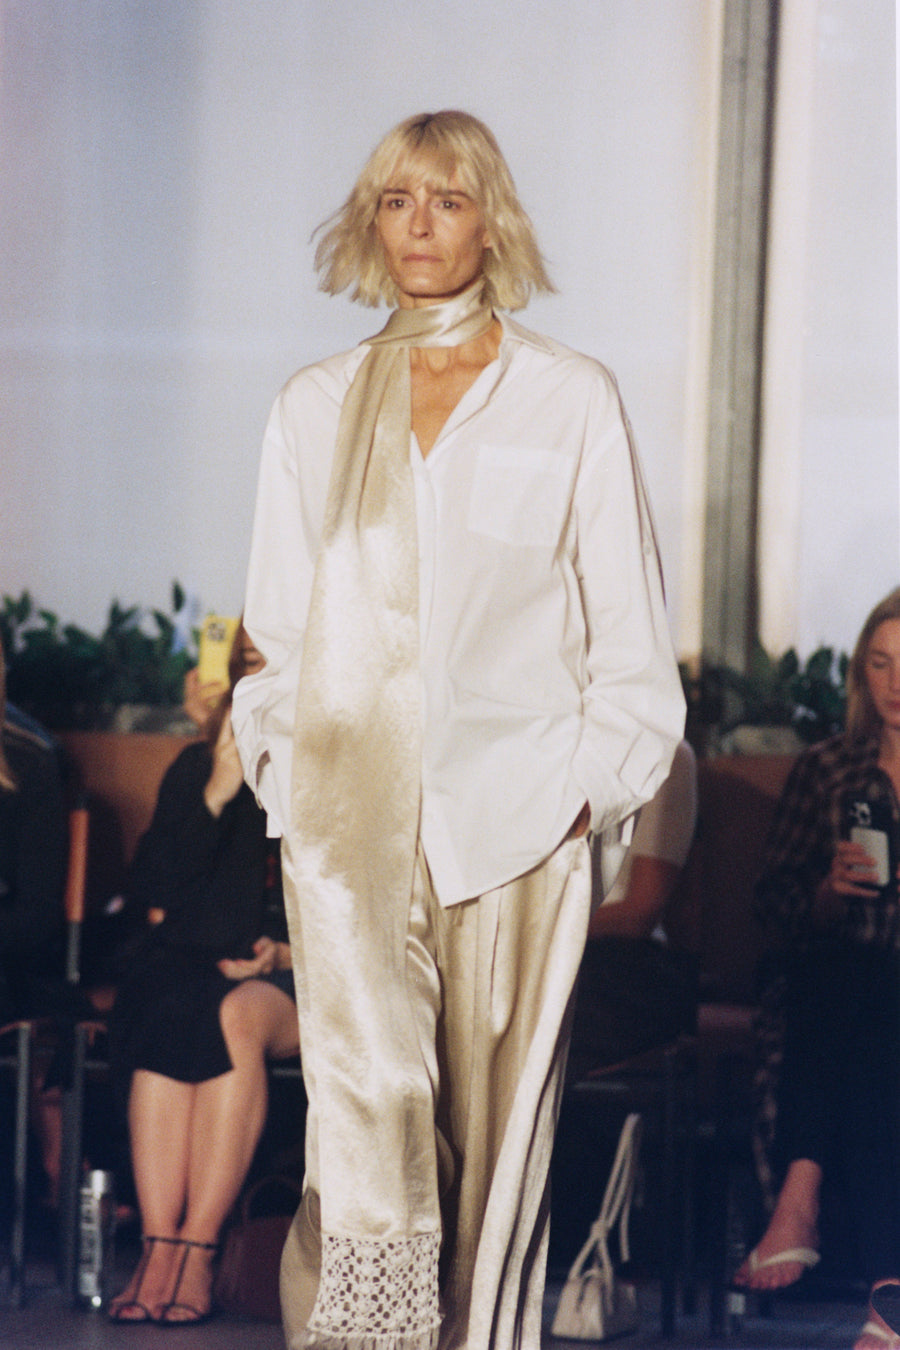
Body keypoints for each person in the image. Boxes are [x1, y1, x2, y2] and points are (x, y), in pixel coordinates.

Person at [232, 110, 685, 1350]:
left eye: (447, 200)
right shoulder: (315, 406)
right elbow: (274, 639)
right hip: (348, 836)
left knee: (497, 1172)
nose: (420, 226)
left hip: (519, 827)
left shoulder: (569, 398)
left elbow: (631, 645)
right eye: (397, 201)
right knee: (358, 1145)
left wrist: (581, 797)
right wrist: (292, 782)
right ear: (370, 222)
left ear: (493, 220)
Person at [107, 625, 300, 1325]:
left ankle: (199, 1246)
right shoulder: (201, 766)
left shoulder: (339, 767)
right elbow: (156, 894)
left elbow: (373, 907)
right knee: (170, 1000)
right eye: (249, 663)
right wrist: (215, 795)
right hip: (204, 968)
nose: (261, 680)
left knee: (232, 1013)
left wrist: (285, 953)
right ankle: (159, 1249)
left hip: (310, 976)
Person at [731, 588, 900, 1350]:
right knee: (850, 979)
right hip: (836, 983)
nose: (895, 683)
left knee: (866, 996)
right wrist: (829, 894)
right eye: (880, 663)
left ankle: (798, 1203)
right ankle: (890, 1300)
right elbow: (770, 905)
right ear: (861, 673)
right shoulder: (827, 768)